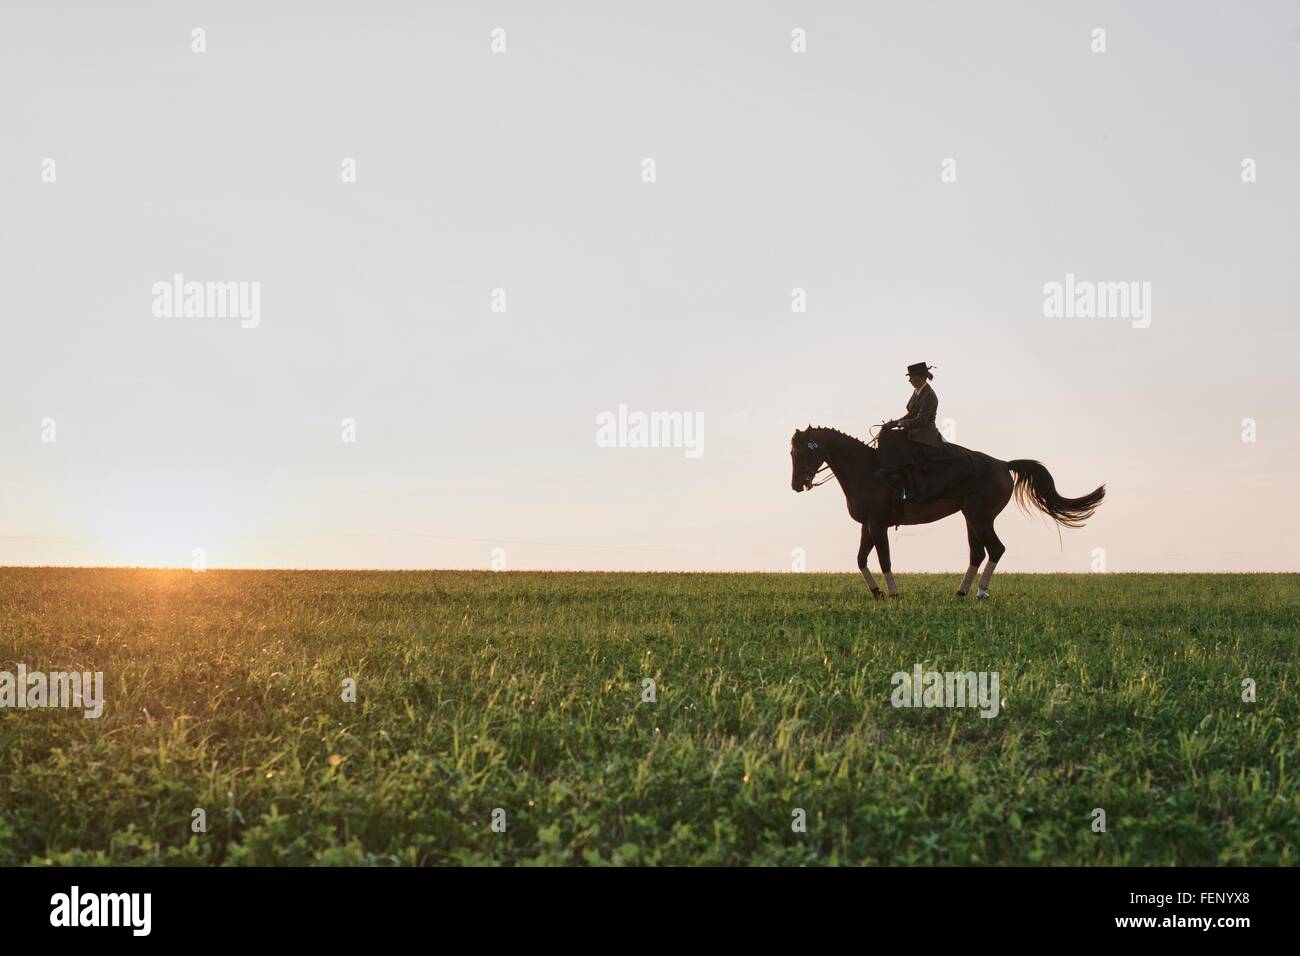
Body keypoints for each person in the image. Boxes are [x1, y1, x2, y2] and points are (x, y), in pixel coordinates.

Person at [875, 362, 943, 499]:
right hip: (912, 430)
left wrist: (900, 423)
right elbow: (911, 414)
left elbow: (921, 421)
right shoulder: (918, 392)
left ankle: (897, 477)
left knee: (893, 439)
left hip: (923, 434)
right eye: (910, 378)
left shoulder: (929, 395)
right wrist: (893, 423)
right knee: (887, 434)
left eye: (913, 378)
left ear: (922, 378)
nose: (910, 381)